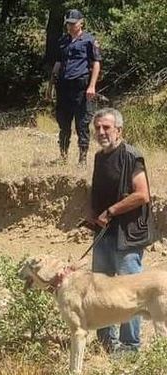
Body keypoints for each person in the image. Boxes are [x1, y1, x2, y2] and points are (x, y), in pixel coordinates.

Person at [89, 108, 154, 353]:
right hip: (103, 234)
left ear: (119, 130)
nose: (101, 132)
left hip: (128, 236)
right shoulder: (99, 157)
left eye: (106, 127)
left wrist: (112, 211)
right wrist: (92, 213)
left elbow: (142, 194)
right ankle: (105, 343)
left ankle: (129, 347)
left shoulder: (131, 156)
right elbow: (97, 190)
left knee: (129, 293)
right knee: (100, 289)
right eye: (97, 128)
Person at [50, 9, 102, 165]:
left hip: (81, 88)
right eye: (68, 24)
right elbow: (58, 64)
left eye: (73, 23)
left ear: (81, 23)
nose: (70, 26)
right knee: (63, 124)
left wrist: (92, 86)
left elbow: (96, 63)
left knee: (82, 124)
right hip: (63, 88)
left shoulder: (89, 41)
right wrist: (50, 85)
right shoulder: (63, 41)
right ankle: (63, 156)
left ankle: (82, 159)